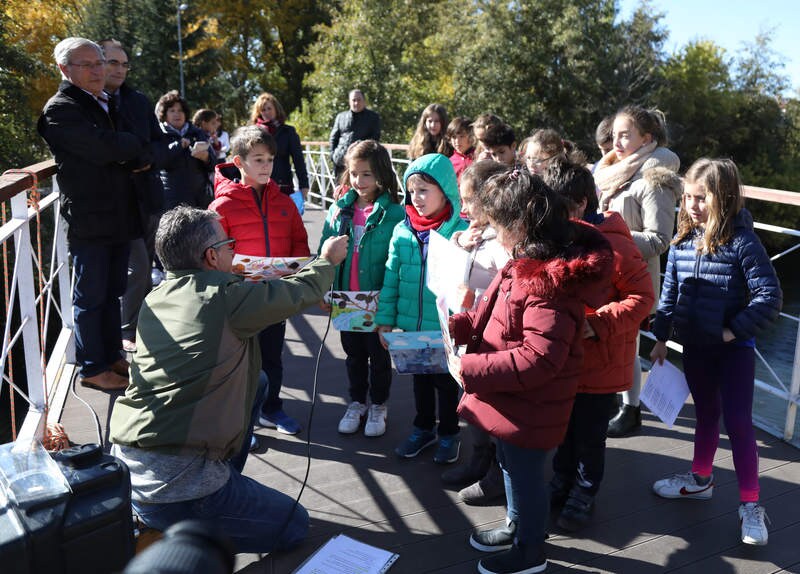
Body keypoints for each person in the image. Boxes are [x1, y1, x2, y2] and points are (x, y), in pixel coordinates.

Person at [109, 205, 349, 553]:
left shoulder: (156, 297)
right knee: (294, 525)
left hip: (132, 467)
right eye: (229, 244)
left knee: (260, 383)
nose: (233, 250)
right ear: (210, 256)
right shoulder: (226, 299)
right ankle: (186, 524)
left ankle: (215, 488)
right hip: (175, 487)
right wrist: (327, 260)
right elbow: (299, 293)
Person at [449, 168, 613, 574]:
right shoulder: (523, 262)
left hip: (533, 404)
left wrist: (469, 367)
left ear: (519, 225)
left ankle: (530, 551)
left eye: (497, 226)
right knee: (509, 464)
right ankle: (517, 524)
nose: (493, 234)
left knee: (525, 476)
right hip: (513, 400)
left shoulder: (546, 283)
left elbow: (539, 359)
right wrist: (463, 324)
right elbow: (496, 310)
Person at [650, 158, 782, 546]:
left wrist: (732, 331)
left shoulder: (743, 242)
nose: (692, 205)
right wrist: (659, 337)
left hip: (733, 349)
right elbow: (669, 297)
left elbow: (769, 297)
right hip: (695, 347)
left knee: (739, 422)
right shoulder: (681, 242)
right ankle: (700, 480)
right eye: (688, 197)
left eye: (702, 197)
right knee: (706, 414)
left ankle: (750, 505)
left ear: (723, 198)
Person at [543, 157, 654, 532]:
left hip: (600, 364)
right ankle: (561, 481)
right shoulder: (562, 238)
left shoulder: (614, 247)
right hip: (567, 360)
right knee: (564, 429)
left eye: (555, 209)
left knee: (590, 436)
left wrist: (600, 322)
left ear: (578, 205)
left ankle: (585, 491)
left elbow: (642, 297)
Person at [38, 37, 145, 391]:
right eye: (88, 64)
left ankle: (111, 353)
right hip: (90, 216)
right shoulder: (61, 108)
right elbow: (105, 148)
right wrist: (128, 147)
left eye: (100, 62)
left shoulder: (103, 103)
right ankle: (93, 368)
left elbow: (127, 146)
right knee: (91, 295)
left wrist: (126, 148)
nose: (99, 70)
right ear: (64, 69)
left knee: (112, 290)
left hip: (116, 214)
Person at [209, 126, 310, 436]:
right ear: (239, 163)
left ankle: (271, 408)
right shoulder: (221, 207)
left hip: (274, 295)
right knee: (238, 361)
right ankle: (242, 422)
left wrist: (297, 269)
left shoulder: (285, 202)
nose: (267, 166)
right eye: (258, 160)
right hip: (239, 298)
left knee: (272, 357)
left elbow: (298, 241)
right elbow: (212, 254)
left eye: (269, 159)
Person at [593, 105, 682, 437]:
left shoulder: (653, 178)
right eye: (615, 134)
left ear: (647, 139)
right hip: (605, 273)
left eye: (625, 135)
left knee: (628, 345)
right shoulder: (613, 171)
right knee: (609, 340)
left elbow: (660, 239)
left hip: (632, 277)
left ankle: (631, 411)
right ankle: (615, 402)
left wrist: (611, 240)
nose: (617, 141)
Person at [375, 153, 468, 464]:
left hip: (445, 326)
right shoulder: (402, 230)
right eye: (412, 191)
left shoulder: (460, 231)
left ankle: (450, 433)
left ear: (445, 190)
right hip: (413, 327)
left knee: (446, 383)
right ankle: (423, 428)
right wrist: (385, 319)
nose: (416, 198)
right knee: (420, 381)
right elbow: (391, 276)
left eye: (424, 190)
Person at [318, 140, 405, 437]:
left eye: (367, 174)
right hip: (346, 300)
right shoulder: (338, 211)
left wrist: (393, 307)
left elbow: (399, 263)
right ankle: (357, 402)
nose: (359, 181)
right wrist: (323, 289)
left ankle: (378, 404)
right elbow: (324, 253)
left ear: (381, 173)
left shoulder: (394, 214)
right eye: (354, 173)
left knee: (379, 358)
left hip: (378, 301)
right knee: (353, 356)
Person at [440, 160, 510, 506]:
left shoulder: (504, 241)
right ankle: (478, 460)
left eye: (469, 201)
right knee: (471, 402)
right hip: (469, 334)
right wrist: (458, 239)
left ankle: (497, 473)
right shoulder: (477, 232)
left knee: (492, 405)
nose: (463, 208)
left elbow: (507, 291)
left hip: (492, 339)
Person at [98, 39, 167, 355]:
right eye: (114, 62)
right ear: (98, 62)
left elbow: (158, 142)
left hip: (148, 196)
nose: (121, 69)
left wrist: (147, 160)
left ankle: (138, 323)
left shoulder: (139, 101)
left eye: (125, 64)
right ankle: (127, 329)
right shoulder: (88, 101)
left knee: (148, 265)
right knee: (137, 267)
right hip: (114, 202)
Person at [156, 90, 216, 211]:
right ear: (165, 114)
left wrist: (206, 158)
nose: (177, 114)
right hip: (171, 199)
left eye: (180, 110)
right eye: (172, 110)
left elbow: (213, 164)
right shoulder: (158, 134)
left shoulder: (197, 132)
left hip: (200, 198)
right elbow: (158, 160)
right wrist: (178, 146)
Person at [250, 93, 309, 201]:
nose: (266, 112)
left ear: (276, 109)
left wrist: (304, 185)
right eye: (263, 109)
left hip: (282, 185)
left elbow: (298, 159)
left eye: (269, 108)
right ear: (259, 112)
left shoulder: (288, 131)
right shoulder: (253, 132)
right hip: (258, 185)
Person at [329, 89, 382, 180]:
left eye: (359, 100)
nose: (356, 103)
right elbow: (333, 138)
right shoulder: (341, 117)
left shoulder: (373, 117)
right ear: (349, 102)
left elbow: (375, 138)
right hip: (340, 162)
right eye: (354, 100)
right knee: (340, 191)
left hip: (361, 163)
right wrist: (332, 155)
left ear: (364, 101)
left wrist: (359, 145)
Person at [519, 129, 584, 176]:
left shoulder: (572, 183)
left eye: (537, 160)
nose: (531, 165)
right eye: (528, 158)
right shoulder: (526, 183)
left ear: (556, 160)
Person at [447, 116, 475, 185]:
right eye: (453, 137)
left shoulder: (479, 156)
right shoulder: (449, 162)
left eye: (462, 136)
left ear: (471, 136)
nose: (457, 141)